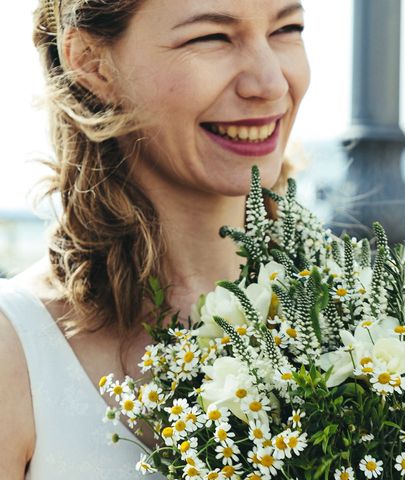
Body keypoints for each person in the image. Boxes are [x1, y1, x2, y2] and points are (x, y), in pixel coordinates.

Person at [0, 0, 310, 478]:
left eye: (287, 29)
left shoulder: (378, 325)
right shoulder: (14, 352)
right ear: (91, 62)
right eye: (211, 37)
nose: (270, 84)